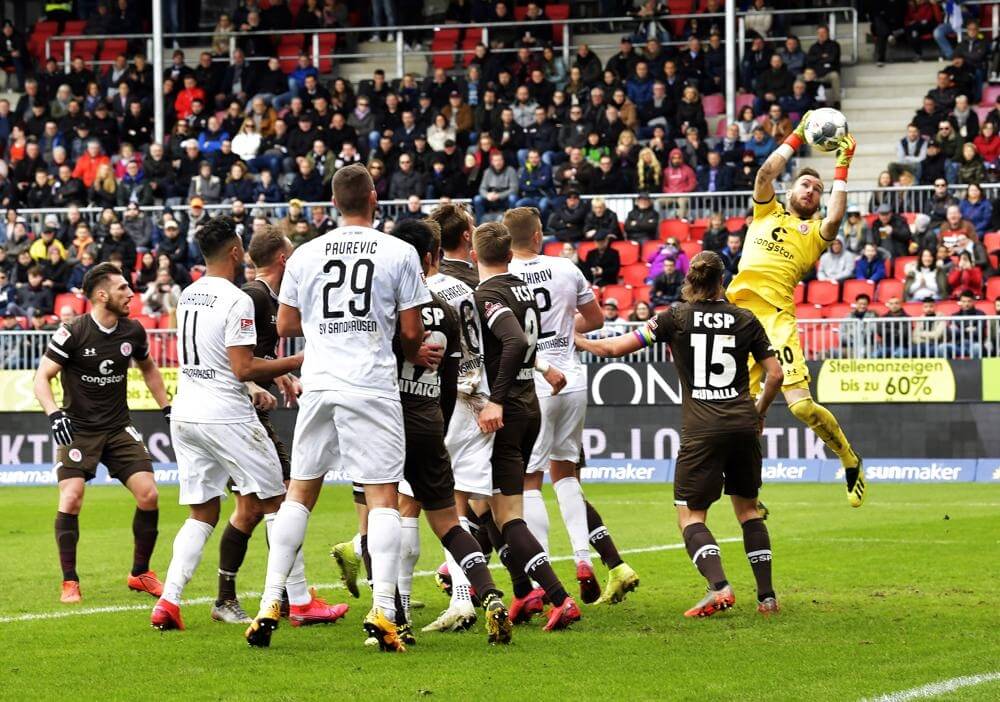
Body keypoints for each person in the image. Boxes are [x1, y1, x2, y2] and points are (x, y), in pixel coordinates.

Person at [244, 164, 436, 652]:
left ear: (333, 203)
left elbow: (286, 323)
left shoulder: (306, 253)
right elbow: (412, 333)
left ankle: (270, 600)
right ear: (375, 197)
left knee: (299, 493)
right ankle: (386, 609)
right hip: (370, 383)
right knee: (382, 496)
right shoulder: (399, 251)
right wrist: (409, 351)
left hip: (321, 383)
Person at [577, 251, 784, 616]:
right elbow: (776, 375)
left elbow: (612, 348)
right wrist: (759, 412)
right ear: (723, 281)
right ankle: (767, 597)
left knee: (690, 515)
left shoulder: (674, 317)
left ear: (691, 281)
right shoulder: (745, 319)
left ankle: (719, 587)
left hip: (702, 429)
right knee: (749, 510)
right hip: (742, 424)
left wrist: (572, 339)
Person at [149, 218, 319, 632]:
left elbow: (219, 360)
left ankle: (169, 602)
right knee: (279, 501)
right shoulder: (236, 299)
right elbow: (242, 367)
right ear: (236, 252)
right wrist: (298, 361)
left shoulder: (189, 294)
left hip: (187, 411)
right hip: (224, 414)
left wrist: (266, 378)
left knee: (203, 511)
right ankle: (298, 601)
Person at [727, 111, 866, 508]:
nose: (810, 191)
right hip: (736, 317)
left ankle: (848, 458)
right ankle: (750, 491)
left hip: (775, 320)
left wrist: (842, 165)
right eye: (805, 184)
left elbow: (837, 215)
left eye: (817, 190)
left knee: (802, 405)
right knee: (740, 416)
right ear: (790, 191)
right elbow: (763, 176)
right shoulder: (767, 210)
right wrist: (797, 134)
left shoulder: (815, 233)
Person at [506, 208, 639, 606]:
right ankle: (583, 559)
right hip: (573, 380)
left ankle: (541, 575)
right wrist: (565, 328)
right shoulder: (565, 268)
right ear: (536, 236)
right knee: (566, 474)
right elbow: (595, 319)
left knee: (529, 480)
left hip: (535, 384)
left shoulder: (501, 276)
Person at [34, 263, 171, 604]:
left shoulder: (133, 331)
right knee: (71, 498)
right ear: (101, 294)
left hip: (117, 427)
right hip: (78, 429)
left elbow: (149, 368)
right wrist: (54, 415)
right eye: (123, 288)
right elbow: (41, 378)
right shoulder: (73, 332)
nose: (131, 294)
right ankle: (70, 582)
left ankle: (140, 573)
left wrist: (166, 406)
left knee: (149, 495)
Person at [467, 220, 581, 631]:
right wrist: (545, 368)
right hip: (528, 403)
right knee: (481, 507)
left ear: (476, 256)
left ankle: (556, 596)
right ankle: (521, 589)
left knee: (507, 515)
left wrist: (495, 398)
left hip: (509, 410)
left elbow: (513, 341)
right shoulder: (522, 288)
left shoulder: (487, 295)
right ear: (510, 253)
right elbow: (522, 342)